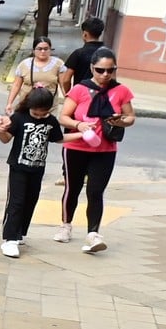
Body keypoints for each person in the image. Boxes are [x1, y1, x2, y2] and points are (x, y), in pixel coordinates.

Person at [55, 48, 135, 253]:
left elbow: (130, 117)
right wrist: (79, 125)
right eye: (100, 70)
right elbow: (63, 117)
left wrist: (120, 121)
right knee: (72, 188)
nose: (105, 75)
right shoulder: (80, 89)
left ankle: (93, 233)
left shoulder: (121, 90)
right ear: (92, 68)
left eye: (110, 70)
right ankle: (65, 225)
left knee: (96, 191)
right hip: (77, 147)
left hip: (105, 149)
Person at [0, 87, 69, 259]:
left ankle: (20, 234)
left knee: (30, 201)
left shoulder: (51, 121)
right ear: (29, 106)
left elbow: (59, 138)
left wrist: (82, 134)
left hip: (38, 168)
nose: (40, 117)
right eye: (36, 113)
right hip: (18, 167)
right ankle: (9, 239)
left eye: (43, 113)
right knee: (16, 202)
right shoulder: (19, 118)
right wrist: (0, 130)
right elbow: (5, 140)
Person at [6, 36, 66, 113]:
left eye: (46, 49)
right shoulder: (24, 64)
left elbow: (64, 85)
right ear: (34, 50)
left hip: (48, 107)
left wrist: (68, 102)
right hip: (27, 105)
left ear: (50, 50)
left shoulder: (58, 64)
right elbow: (16, 85)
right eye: (39, 49)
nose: (43, 51)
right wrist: (9, 103)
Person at [61, 16, 107, 90]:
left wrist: (69, 95)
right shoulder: (108, 53)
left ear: (85, 34)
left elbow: (66, 80)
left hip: (81, 95)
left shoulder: (78, 54)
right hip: (101, 96)